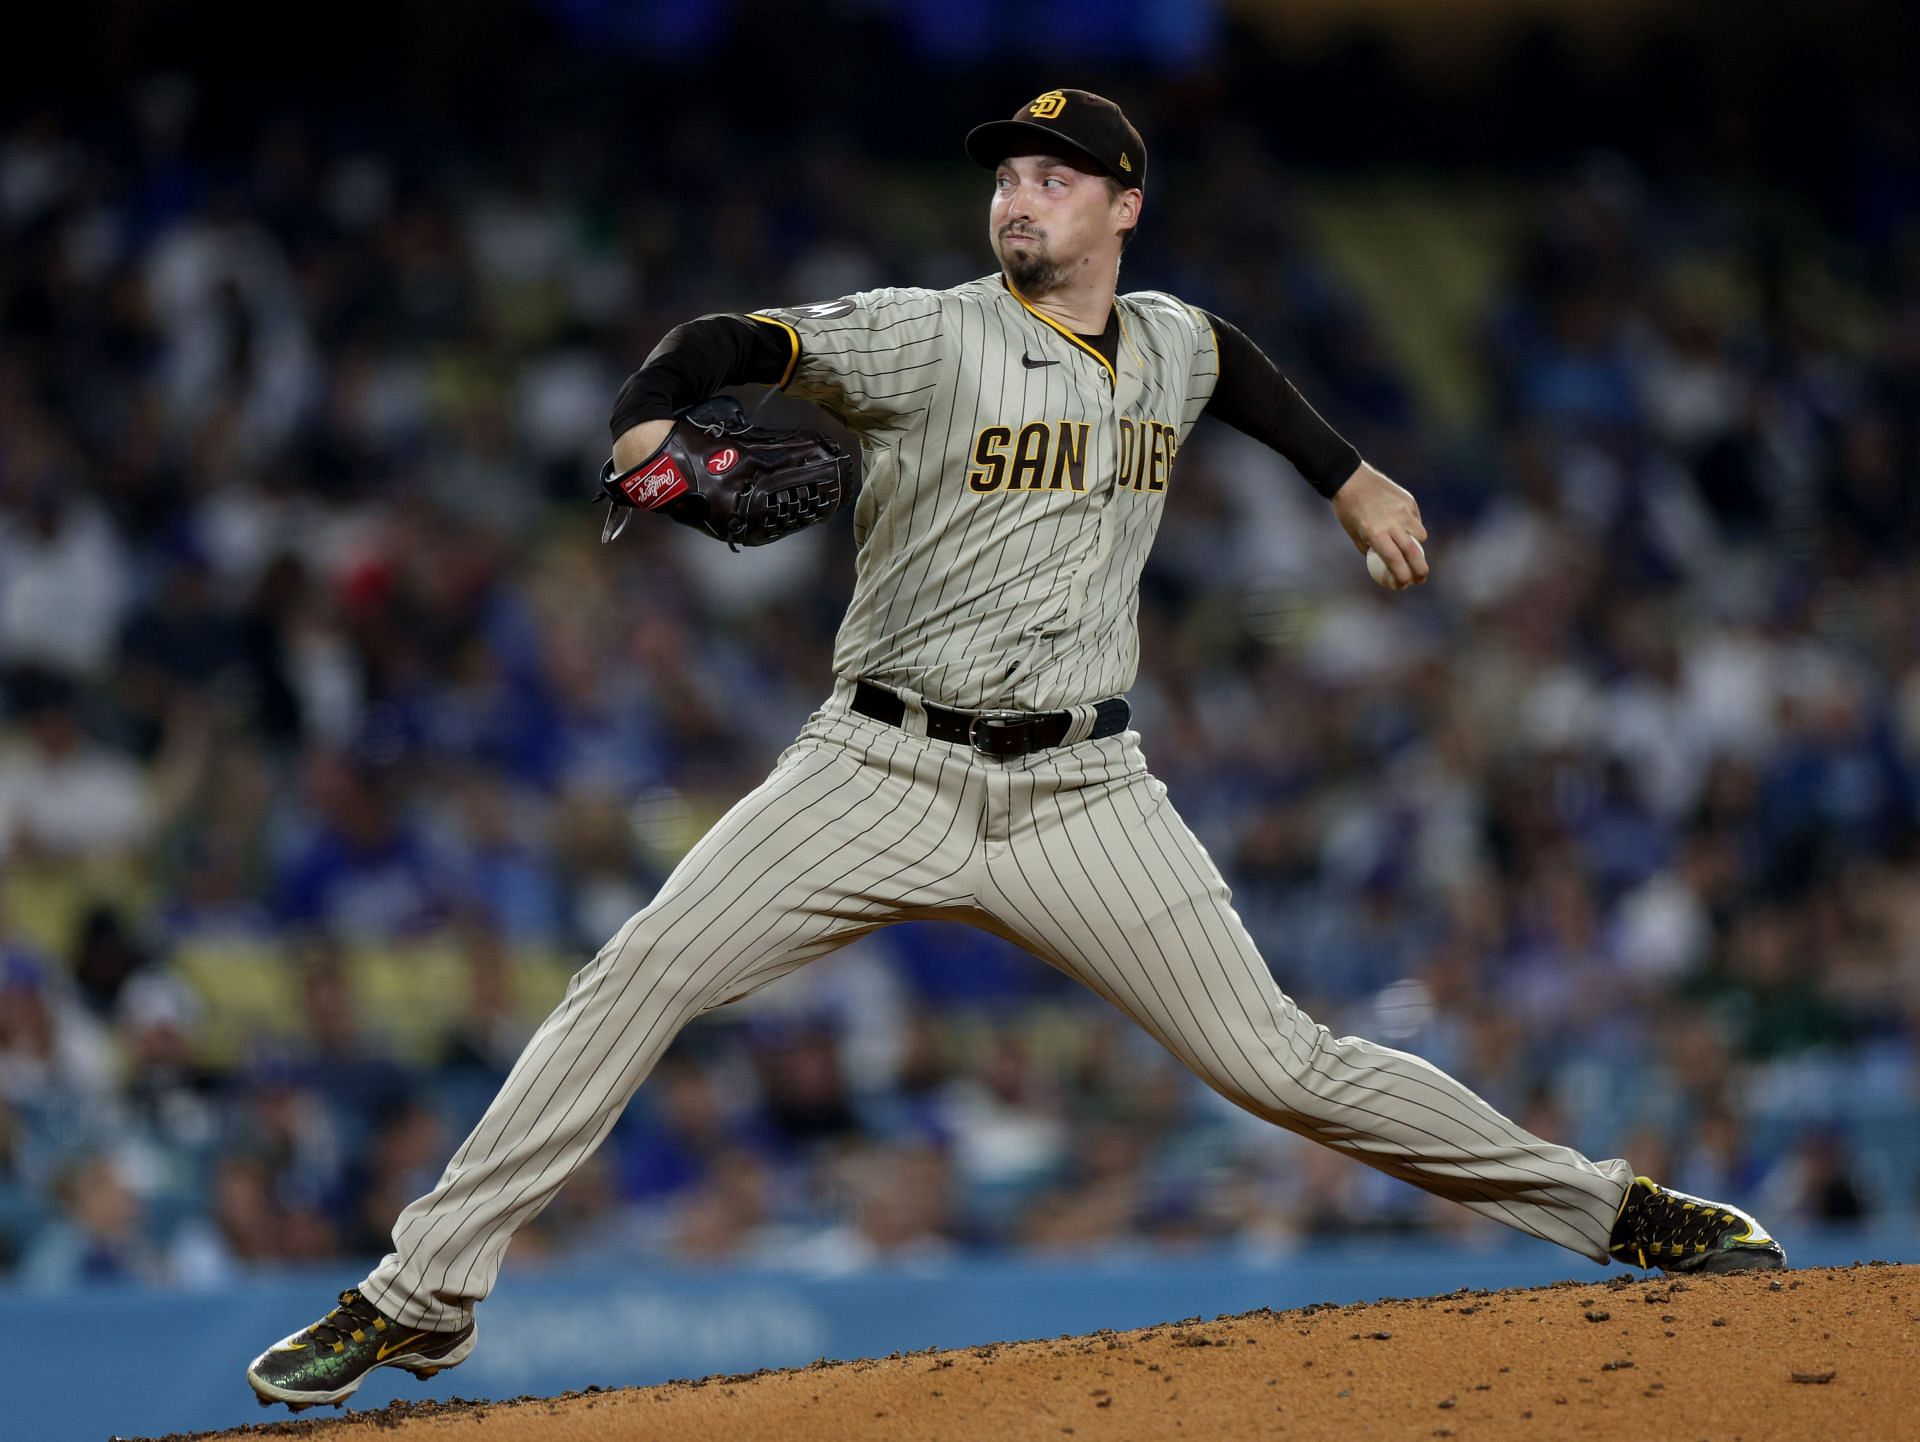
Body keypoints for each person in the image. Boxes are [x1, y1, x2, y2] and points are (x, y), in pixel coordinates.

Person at [246, 88, 1782, 1412]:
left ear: (1122, 205)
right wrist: (650, 422)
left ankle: (1617, 1211)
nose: (1018, 197)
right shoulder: (926, 336)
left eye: (1051, 177)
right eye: (1004, 176)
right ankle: (423, 1290)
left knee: (1287, 1063)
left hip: (1080, 792)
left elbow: (1230, 364)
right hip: (877, 769)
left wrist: (1350, 473)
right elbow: (728, 338)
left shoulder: (1170, 342)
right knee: (637, 972)